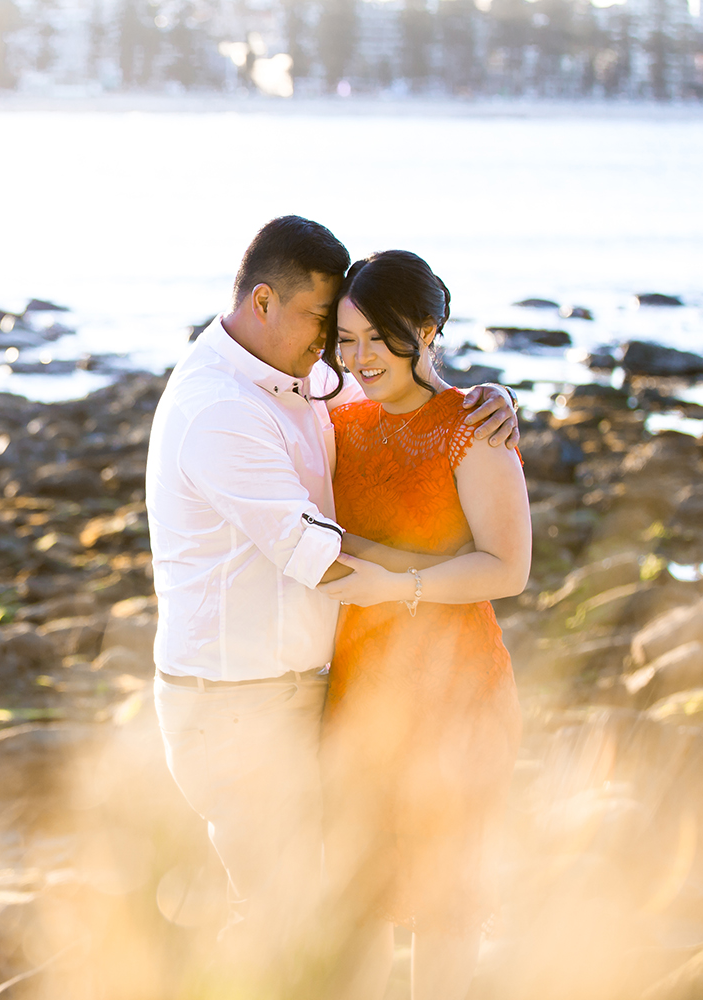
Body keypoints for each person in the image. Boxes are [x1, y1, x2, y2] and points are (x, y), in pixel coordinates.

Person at [146, 216, 520, 995]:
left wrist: (487, 397)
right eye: (329, 326)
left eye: (349, 333)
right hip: (244, 702)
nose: (339, 353)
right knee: (303, 916)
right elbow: (317, 552)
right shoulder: (224, 408)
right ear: (262, 302)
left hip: (365, 688)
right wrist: (424, 579)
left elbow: (407, 386)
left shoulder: (306, 384)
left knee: (400, 901)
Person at [315, 251, 530, 1000]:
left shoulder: (472, 425)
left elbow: (508, 567)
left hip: (454, 689)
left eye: (380, 337)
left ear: (428, 330)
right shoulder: (336, 423)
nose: (361, 357)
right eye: (346, 339)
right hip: (360, 685)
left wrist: (393, 582)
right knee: (363, 891)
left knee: (443, 902)